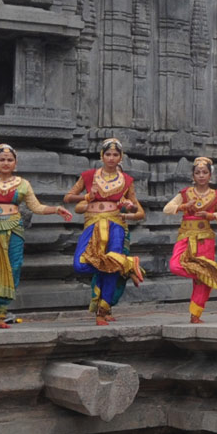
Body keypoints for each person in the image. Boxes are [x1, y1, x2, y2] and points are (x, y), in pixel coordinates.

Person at [0, 143, 73, 328]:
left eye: (10, 160)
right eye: (2, 159)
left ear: (15, 163)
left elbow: (36, 207)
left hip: (13, 229)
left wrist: (55, 209)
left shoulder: (23, 184)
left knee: (12, 268)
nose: (6, 163)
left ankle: (0, 313)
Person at [65, 137, 146, 325]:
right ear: (102, 155)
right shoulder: (88, 176)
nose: (111, 158)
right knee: (80, 264)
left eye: (115, 155)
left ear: (121, 157)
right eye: (108, 154)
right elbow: (68, 197)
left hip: (116, 225)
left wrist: (128, 207)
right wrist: (87, 196)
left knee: (110, 269)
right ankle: (126, 263)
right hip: (92, 224)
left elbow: (136, 208)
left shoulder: (126, 180)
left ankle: (103, 310)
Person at [162, 156, 217, 324]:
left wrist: (211, 215)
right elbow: (167, 208)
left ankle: (195, 315)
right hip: (185, 237)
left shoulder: (215, 196)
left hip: (205, 239)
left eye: (205, 172)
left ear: (210, 175)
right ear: (193, 176)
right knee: (175, 265)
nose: (201, 175)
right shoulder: (185, 194)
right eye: (198, 172)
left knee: (201, 282)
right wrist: (182, 207)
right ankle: (205, 272)